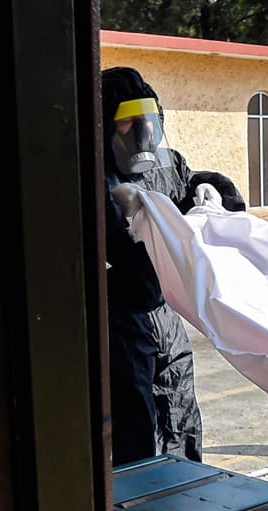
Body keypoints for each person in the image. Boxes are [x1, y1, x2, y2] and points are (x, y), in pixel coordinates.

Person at [101, 66, 245, 466]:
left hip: (168, 316)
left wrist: (214, 190)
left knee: (181, 418)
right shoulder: (89, 174)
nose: (140, 135)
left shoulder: (165, 163)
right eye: (127, 123)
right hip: (122, 324)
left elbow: (187, 185)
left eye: (147, 122)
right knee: (137, 433)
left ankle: (185, 499)